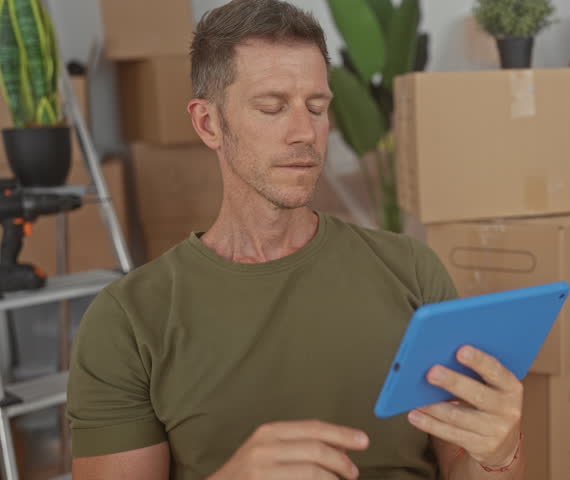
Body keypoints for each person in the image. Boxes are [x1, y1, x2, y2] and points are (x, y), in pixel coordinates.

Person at [67, 1, 525, 479]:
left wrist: (501, 454)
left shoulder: (410, 268)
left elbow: (467, 470)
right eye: (272, 106)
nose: (304, 132)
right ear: (208, 123)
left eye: (317, 107)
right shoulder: (128, 320)